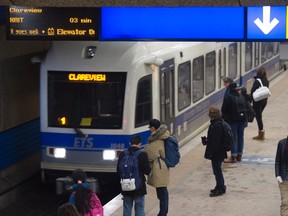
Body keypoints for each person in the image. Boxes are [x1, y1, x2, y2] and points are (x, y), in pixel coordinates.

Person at [116, 135, 151, 216]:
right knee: (139, 208)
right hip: (139, 186)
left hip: (125, 186)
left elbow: (118, 170)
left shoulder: (123, 154)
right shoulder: (142, 154)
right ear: (140, 144)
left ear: (130, 143)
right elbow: (147, 171)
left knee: (127, 208)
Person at [144, 119, 170, 216]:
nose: (149, 129)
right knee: (162, 191)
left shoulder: (158, 139)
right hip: (162, 167)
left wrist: (145, 151)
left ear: (153, 128)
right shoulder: (161, 136)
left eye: (150, 127)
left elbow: (151, 154)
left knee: (162, 192)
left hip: (159, 168)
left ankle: (162, 213)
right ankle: (163, 212)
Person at [203, 106, 227, 197]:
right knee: (217, 170)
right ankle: (219, 185)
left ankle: (221, 188)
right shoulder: (218, 123)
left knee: (217, 170)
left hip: (217, 153)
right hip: (219, 152)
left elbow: (216, 141)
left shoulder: (217, 125)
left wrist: (211, 152)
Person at [221, 82, 247, 163]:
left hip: (232, 121)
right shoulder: (241, 96)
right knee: (240, 137)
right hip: (242, 120)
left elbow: (223, 110)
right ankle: (239, 155)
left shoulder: (228, 97)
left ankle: (233, 157)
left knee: (233, 138)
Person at [250, 67, 269, 140]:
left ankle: (261, 134)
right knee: (259, 116)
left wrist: (250, 99)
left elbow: (253, 91)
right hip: (264, 100)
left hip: (258, 101)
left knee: (258, 117)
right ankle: (261, 132)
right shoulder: (266, 80)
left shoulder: (257, 81)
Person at [275, 136, 288, 215]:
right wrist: (278, 175)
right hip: (284, 178)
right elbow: (278, 160)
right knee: (285, 202)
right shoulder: (282, 143)